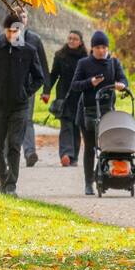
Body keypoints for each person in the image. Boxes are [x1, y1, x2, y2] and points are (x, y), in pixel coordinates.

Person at [0, 13, 46, 195]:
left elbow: (39, 77)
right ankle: (3, 176)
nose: (12, 34)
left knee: (14, 145)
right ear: (4, 30)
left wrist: (26, 92)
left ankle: (11, 185)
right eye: (9, 30)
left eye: (16, 31)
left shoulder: (29, 51)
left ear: (20, 31)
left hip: (19, 106)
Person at [69, 30, 129, 195]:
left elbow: (124, 80)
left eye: (104, 47)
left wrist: (121, 85)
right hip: (87, 112)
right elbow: (75, 85)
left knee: (106, 146)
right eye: (98, 47)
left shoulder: (114, 63)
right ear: (92, 48)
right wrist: (90, 82)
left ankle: (98, 175)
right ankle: (88, 183)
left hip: (107, 113)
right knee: (90, 147)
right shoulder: (84, 63)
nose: (101, 51)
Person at [0, 6, 48, 167]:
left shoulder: (34, 40)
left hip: (27, 88)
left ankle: (30, 152)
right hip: (5, 89)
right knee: (5, 120)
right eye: (18, 16)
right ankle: (4, 154)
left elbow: (43, 67)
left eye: (24, 16)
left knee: (27, 120)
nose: (22, 19)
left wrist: (45, 89)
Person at [43, 31, 88, 168]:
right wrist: (46, 91)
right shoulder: (60, 56)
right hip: (64, 96)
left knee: (76, 127)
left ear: (80, 42)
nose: (71, 41)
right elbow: (53, 75)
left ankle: (73, 157)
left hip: (80, 97)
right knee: (66, 126)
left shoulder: (86, 58)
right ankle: (66, 154)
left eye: (75, 39)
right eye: (69, 38)